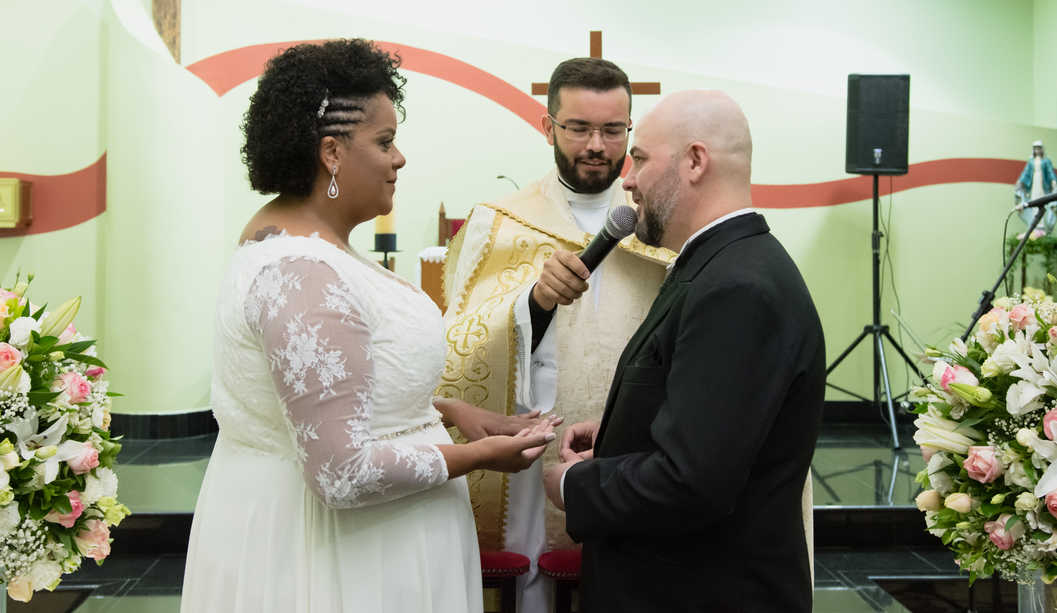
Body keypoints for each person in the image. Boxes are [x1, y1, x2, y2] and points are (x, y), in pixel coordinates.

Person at [181, 40, 556, 613]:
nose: (399, 158)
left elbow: (330, 397)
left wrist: (450, 413)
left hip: (356, 538)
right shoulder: (303, 273)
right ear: (332, 152)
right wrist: (482, 457)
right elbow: (341, 471)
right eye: (384, 142)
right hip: (343, 558)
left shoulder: (295, 239)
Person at [542, 89, 826, 613]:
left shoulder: (735, 288)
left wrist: (578, 485)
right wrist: (619, 433)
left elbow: (692, 481)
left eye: (641, 159)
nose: (627, 179)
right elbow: (715, 427)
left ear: (695, 161)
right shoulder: (720, 264)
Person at [441, 58, 673, 613]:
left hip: (636, 445)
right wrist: (534, 301)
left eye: (613, 130)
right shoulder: (499, 222)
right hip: (540, 442)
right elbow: (461, 342)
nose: (597, 145)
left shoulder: (662, 224)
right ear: (549, 128)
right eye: (578, 129)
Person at [1015, 140, 1057, 232]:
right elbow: (1026, 173)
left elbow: (1050, 172)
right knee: (1034, 201)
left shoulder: (1046, 161)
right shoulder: (1031, 161)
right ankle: (1035, 223)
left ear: (1041, 149)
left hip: (1043, 185)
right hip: (1034, 184)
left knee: (1043, 201)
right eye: (1035, 148)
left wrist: (1054, 181)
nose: (1037, 150)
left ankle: (1042, 223)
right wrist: (1020, 181)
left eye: (1038, 148)